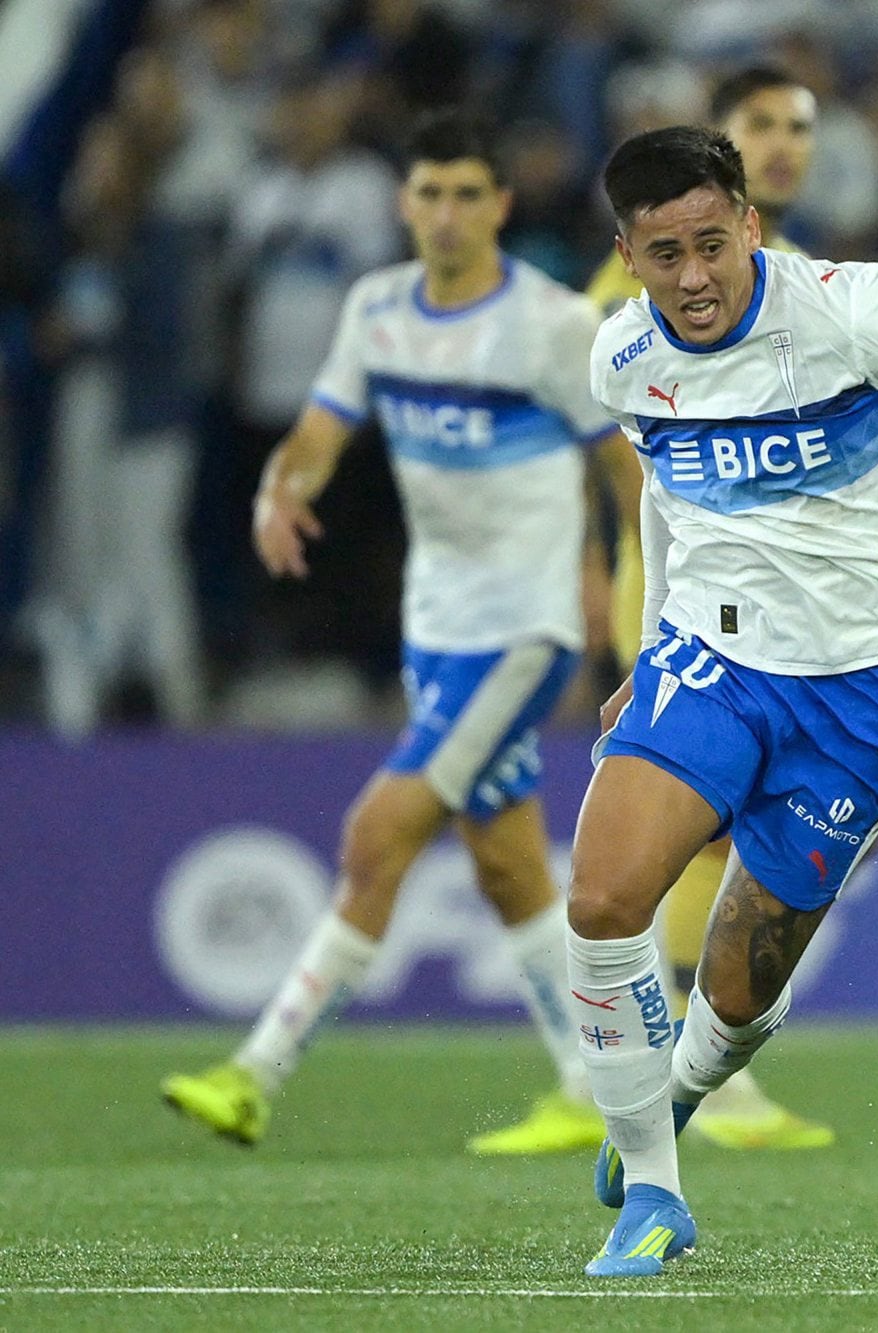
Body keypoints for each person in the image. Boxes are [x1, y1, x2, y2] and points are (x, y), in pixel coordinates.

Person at [565, 125, 878, 1276]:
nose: (693, 277)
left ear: (749, 225)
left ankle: (684, 1088)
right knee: (602, 900)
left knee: (743, 988)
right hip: (713, 661)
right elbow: (665, 493)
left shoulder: (852, 312)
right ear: (627, 254)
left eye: (712, 243)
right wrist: (649, 650)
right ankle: (650, 1188)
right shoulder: (619, 360)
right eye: (664, 255)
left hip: (866, 680)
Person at [161, 111, 637, 1156]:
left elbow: (620, 465)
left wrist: (615, 577)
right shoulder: (376, 308)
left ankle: (253, 1074)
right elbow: (321, 432)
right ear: (403, 204)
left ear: (500, 207)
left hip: (524, 630)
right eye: (430, 193)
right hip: (436, 628)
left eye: (470, 194)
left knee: (376, 835)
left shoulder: (551, 324)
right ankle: (593, 1087)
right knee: (509, 868)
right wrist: (278, 496)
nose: (448, 214)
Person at [584, 64, 836, 1152]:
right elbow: (622, 472)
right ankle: (692, 1079)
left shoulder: (792, 284)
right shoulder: (629, 300)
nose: (783, 144)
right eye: (759, 127)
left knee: (759, 835)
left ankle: (693, 1065)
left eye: (797, 127)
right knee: (695, 839)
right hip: (681, 588)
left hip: (788, 594)